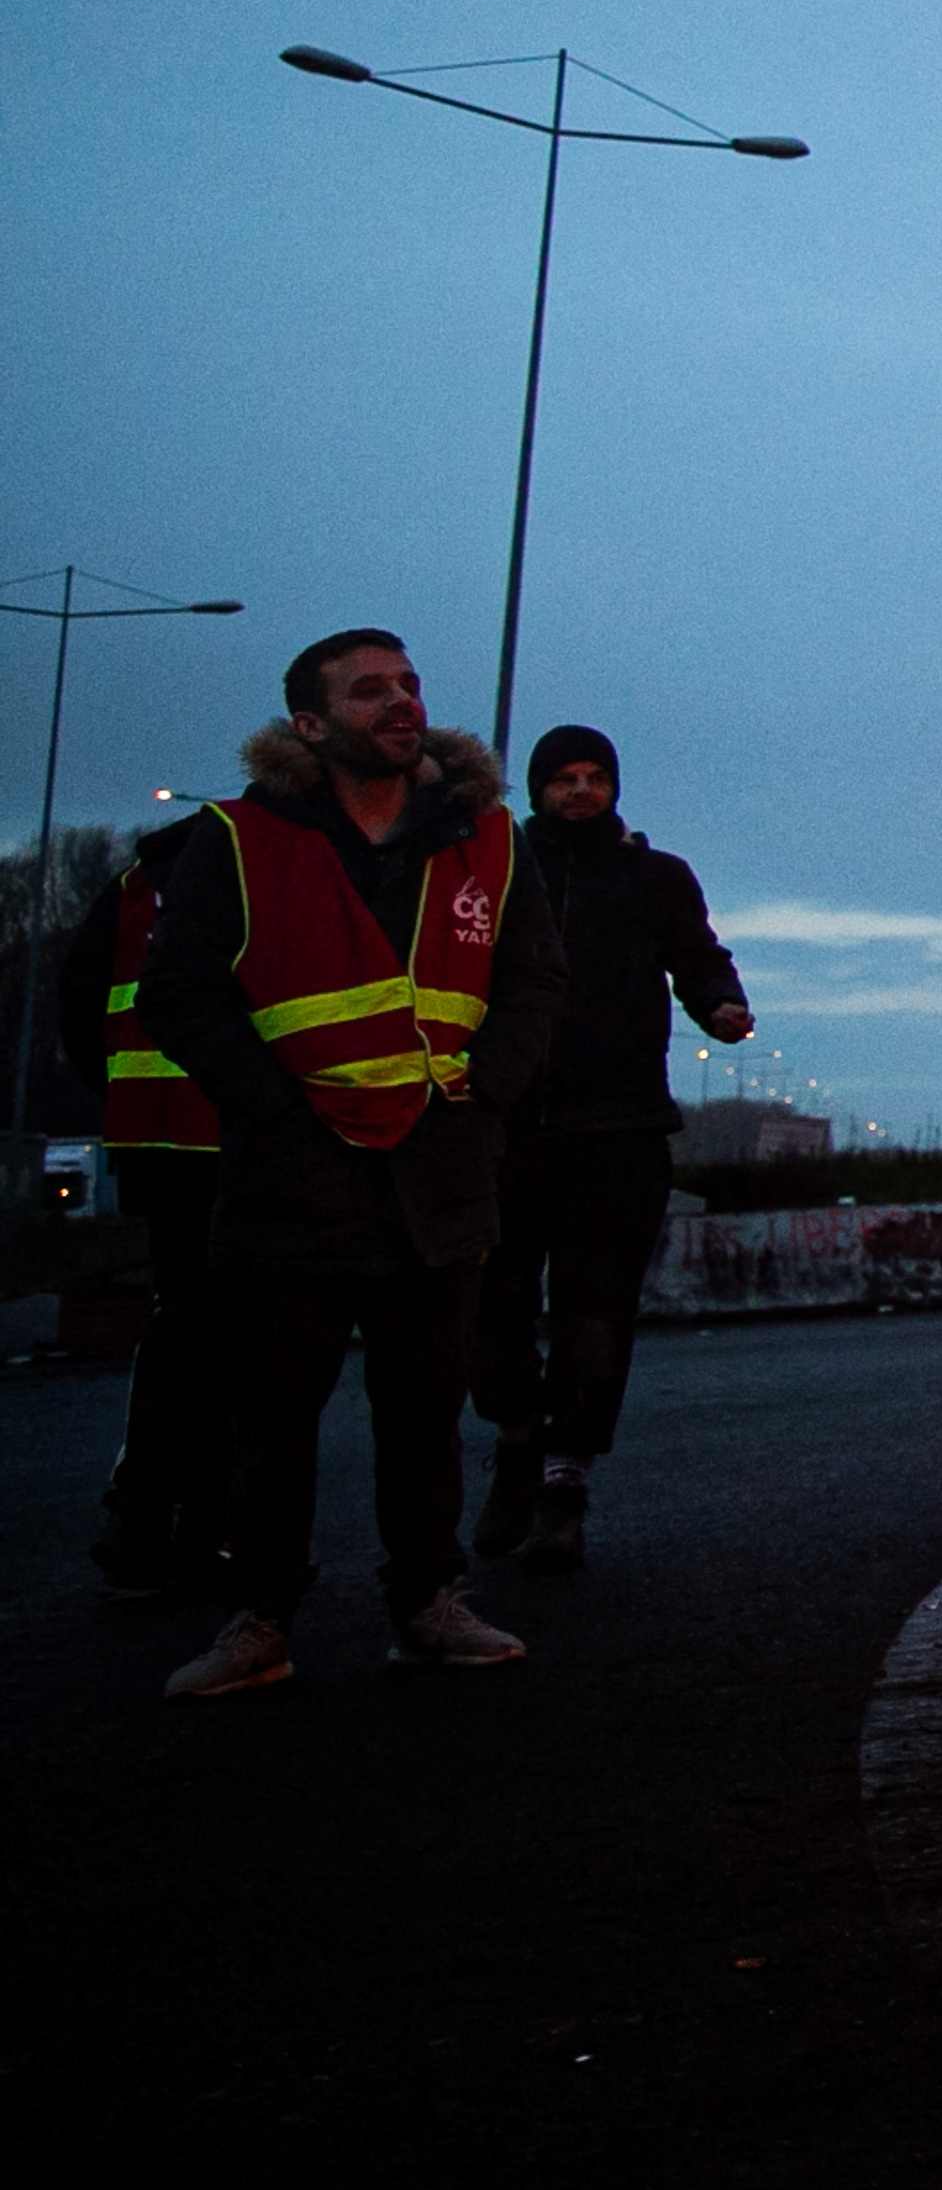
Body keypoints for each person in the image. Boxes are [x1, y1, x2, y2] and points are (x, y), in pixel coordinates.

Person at [126, 629, 562, 1696]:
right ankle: (262, 1617)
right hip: (292, 1177)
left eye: (410, 683)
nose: (402, 702)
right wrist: (275, 1109)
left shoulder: (490, 839)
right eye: (370, 691)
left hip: (439, 1171)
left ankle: (426, 1602)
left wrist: (483, 1099)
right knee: (271, 1418)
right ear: (310, 725)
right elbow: (180, 995)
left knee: (425, 1411)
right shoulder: (236, 838)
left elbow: (535, 982)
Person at [474, 724, 749, 1568]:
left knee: (597, 1312)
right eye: (564, 779)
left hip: (620, 1130)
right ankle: (517, 1445)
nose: (582, 792)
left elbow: (696, 955)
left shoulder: (654, 877)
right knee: (493, 1305)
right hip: (503, 1128)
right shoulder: (493, 871)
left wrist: (720, 1004)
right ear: (536, 788)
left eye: (596, 777)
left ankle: (566, 1481)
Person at [80, 848, 229, 1601]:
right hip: (258, 1137)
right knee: (244, 1332)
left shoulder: (151, 869)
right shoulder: (288, 857)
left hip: (159, 1135)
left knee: (183, 1324)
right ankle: (202, 1519)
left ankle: (143, 1511)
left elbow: (84, 1000)